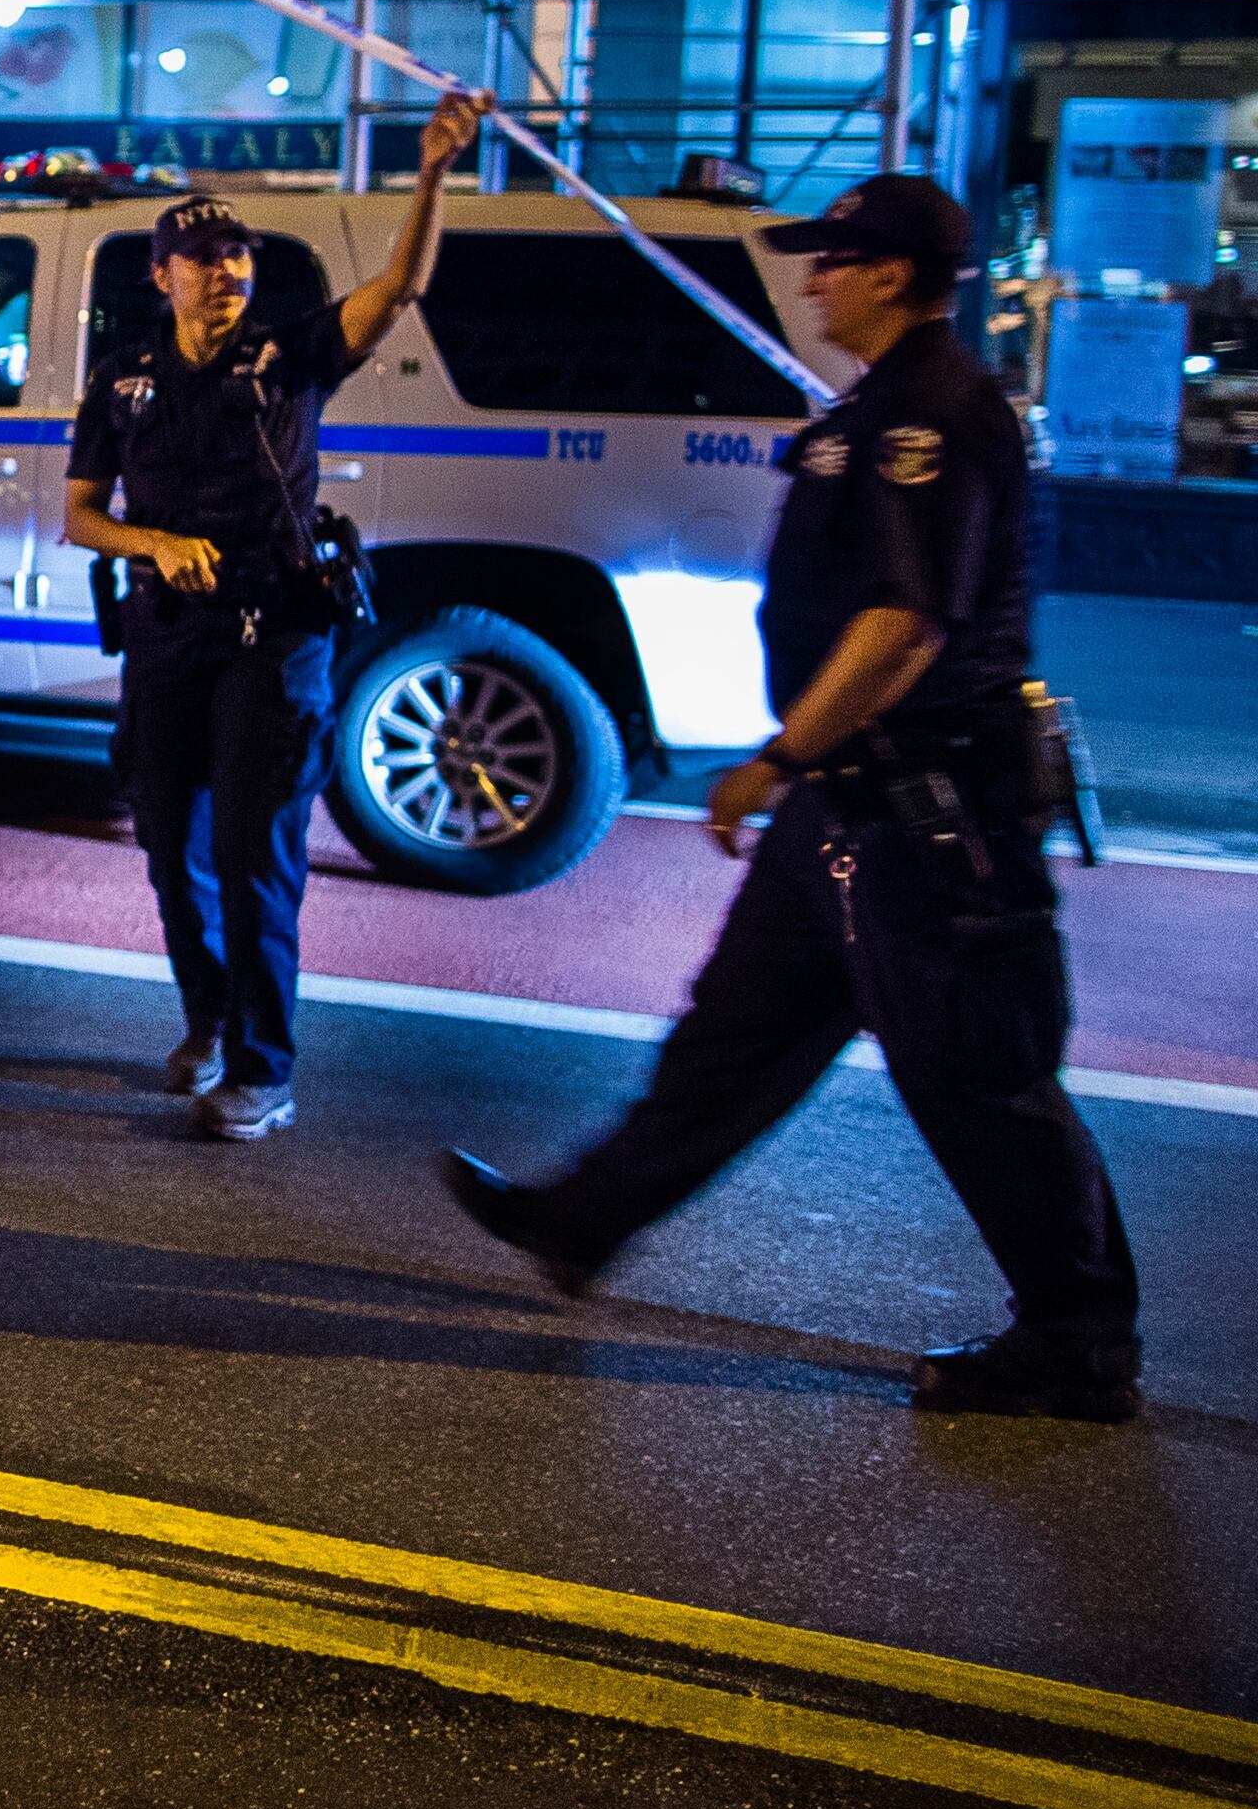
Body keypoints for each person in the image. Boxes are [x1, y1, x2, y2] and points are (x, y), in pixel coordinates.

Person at [445, 172, 1140, 1421]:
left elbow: (903, 622)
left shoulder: (935, 413)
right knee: (735, 1036)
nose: (813, 276)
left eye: (834, 257)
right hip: (854, 803)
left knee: (980, 1074)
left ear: (890, 274)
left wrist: (779, 757)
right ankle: (584, 1217)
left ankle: (1078, 1339)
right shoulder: (870, 410)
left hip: (929, 815)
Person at [59, 87, 489, 1141]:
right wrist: (152, 543)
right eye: (204, 257)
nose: (227, 271)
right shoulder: (120, 381)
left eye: (239, 256)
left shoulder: (290, 357)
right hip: (165, 635)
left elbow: (399, 287)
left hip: (275, 637)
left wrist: (430, 171)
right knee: (171, 846)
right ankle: (209, 1018)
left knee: (259, 856)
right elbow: (79, 517)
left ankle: (263, 1067)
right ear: (162, 275)